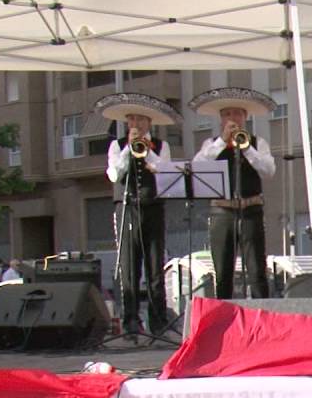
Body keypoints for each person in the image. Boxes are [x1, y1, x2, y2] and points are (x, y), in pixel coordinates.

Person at [98, 92, 179, 335]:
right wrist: (128, 151)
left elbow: (164, 172)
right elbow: (114, 175)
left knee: (155, 267)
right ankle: (130, 322)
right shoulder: (117, 145)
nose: (135, 125)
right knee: (129, 267)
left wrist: (145, 149)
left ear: (149, 123)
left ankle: (158, 320)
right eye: (131, 120)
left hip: (153, 207)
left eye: (140, 120)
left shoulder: (161, 146)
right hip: (127, 207)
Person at [189, 88, 278, 300]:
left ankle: (261, 318)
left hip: (250, 210)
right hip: (222, 212)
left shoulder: (258, 143)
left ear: (245, 117)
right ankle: (224, 319)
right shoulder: (210, 145)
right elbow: (197, 166)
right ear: (221, 118)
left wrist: (246, 148)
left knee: (256, 270)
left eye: (237, 114)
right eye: (228, 114)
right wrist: (222, 141)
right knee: (223, 271)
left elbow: (269, 170)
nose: (233, 118)